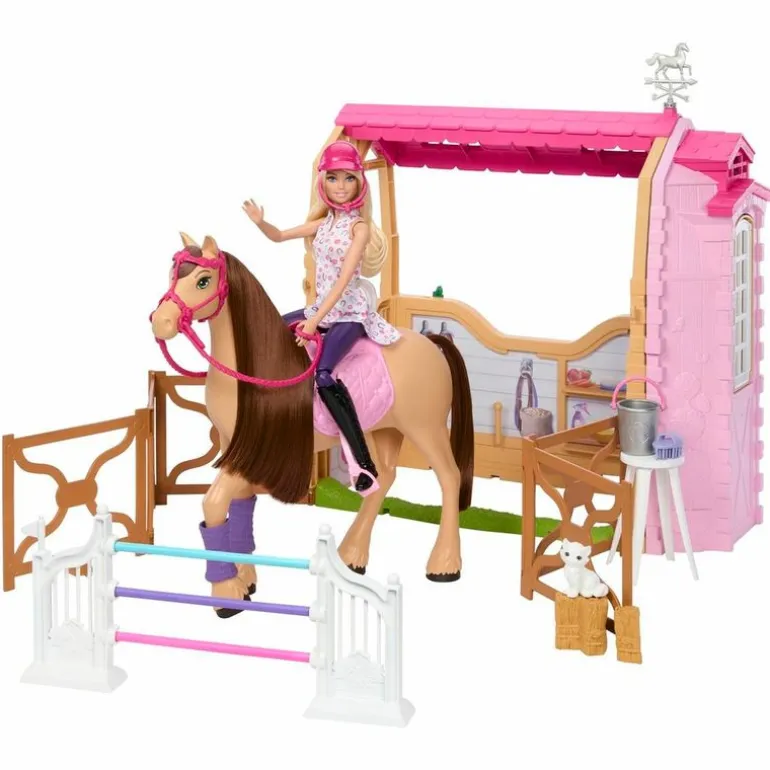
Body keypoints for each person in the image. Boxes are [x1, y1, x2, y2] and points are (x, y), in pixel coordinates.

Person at [243, 140, 400, 492]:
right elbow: (279, 236)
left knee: (325, 374)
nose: (340, 186)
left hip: (348, 313)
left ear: (360, 183)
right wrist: (261, 223)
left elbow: (343, 281)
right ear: (323, 183)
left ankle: (363, 463)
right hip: (321, 309)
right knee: (273, 330)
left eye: (348, 178)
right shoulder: (323, 224)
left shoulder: (358, 228)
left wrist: (314, 322)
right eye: (333, 178)